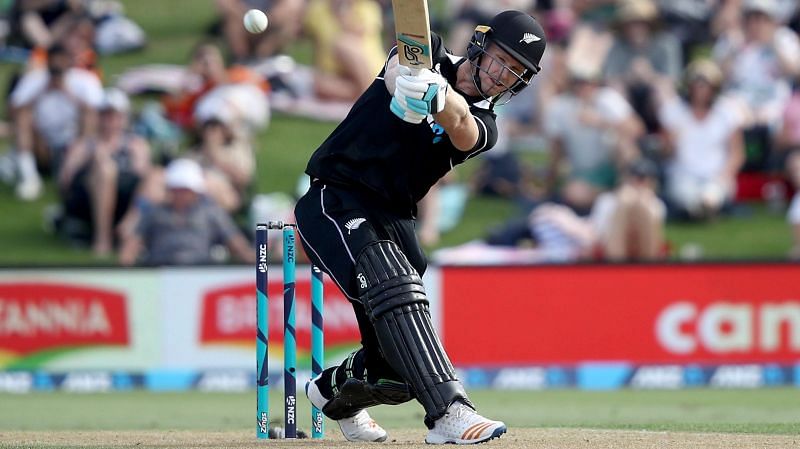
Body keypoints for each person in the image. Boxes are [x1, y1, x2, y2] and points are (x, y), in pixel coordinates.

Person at [293, 10, 546, 444]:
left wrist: (441, 97)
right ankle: (449, 412)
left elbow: (462, 128)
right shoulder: (425, 48)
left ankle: (331, 394)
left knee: (398, 371)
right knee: (390, 277)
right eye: (502, 60)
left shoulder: (486, 125)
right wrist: (408, 80)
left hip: (395, 216)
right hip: (336, 195)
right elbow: (395, 68)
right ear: (480, 45)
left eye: (516, 72)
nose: (505, 76)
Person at [58, 88, 151, 257]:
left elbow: (143, 176)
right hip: (88, 200)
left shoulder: (136, 144)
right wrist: (96, 157)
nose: (109, 121)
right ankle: (103, 239)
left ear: (123, 118)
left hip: (125, 201)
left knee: (155, 177)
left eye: (114, 115)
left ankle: (129, 230)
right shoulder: (86, 145)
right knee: (105, 170)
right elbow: (66, 179)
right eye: (105, 115)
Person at [118, 159, 254, 266]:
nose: (181, 194)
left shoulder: (211, 213)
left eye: (186, 189)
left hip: (200, 272)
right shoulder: (154, 212)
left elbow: (237, 244)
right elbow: (132, 245)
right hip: (160, 273)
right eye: (177, 188)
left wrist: (258, 264)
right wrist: (125, 270)